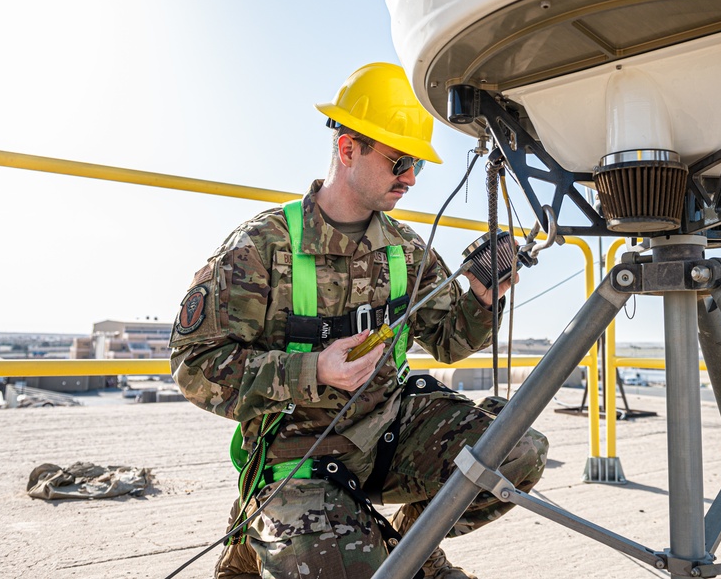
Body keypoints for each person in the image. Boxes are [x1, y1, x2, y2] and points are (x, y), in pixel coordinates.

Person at [170, 62, 549, 579]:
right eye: (399, 162)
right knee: (351, 571)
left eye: (417, 164)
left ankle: (412, 542)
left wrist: (482, 299)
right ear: (348, 150)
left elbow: (447, 341)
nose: (411, 178)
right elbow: (194, 365)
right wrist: (314, 372)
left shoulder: (406, 252)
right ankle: (260, 523)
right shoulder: (260, 249)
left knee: (517, 451)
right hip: (297, 454)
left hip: (387, 434)